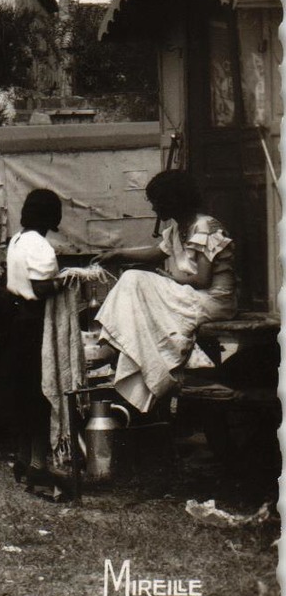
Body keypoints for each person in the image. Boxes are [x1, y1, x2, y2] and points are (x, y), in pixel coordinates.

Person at [94, 169, 237, 413]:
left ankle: (113, 344)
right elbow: (156, 253)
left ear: (174, 199)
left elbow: (202, 279)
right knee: (133, 279)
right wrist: (118, 254)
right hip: (190, 295)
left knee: (134, 279)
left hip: (212, 300)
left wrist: (169, 277)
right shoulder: (175, 231)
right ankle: (117, 345)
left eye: (156, 202)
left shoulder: (205, 227)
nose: (154, 210)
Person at [1, 187, 64, 497]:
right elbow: (40, 288)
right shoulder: (40, 245)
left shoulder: (16, 240)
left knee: (22, 394)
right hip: (34, 322)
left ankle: (24, 459)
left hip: (15, 321)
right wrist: (66, 280)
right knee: (40, 393)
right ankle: (39, 465)